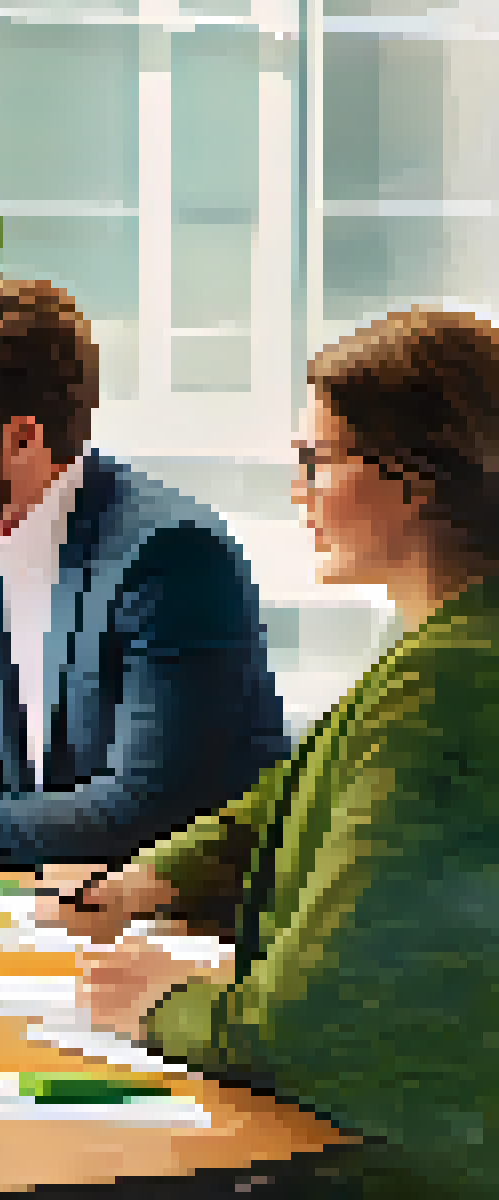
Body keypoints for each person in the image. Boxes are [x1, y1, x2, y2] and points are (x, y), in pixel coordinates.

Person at [50, 308, 499, 1196]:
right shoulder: (445, 645)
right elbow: (295, 793)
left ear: (414, 477)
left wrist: (155, 1001)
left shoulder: (445, 683)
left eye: (316, 459)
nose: (298, 490)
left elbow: (314, 1024)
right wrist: (149, 882)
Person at [0, 279, 287, 867]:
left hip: (180, 923)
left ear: (24, 437)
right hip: (47, 904)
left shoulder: (169, 558)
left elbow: (145, 811)